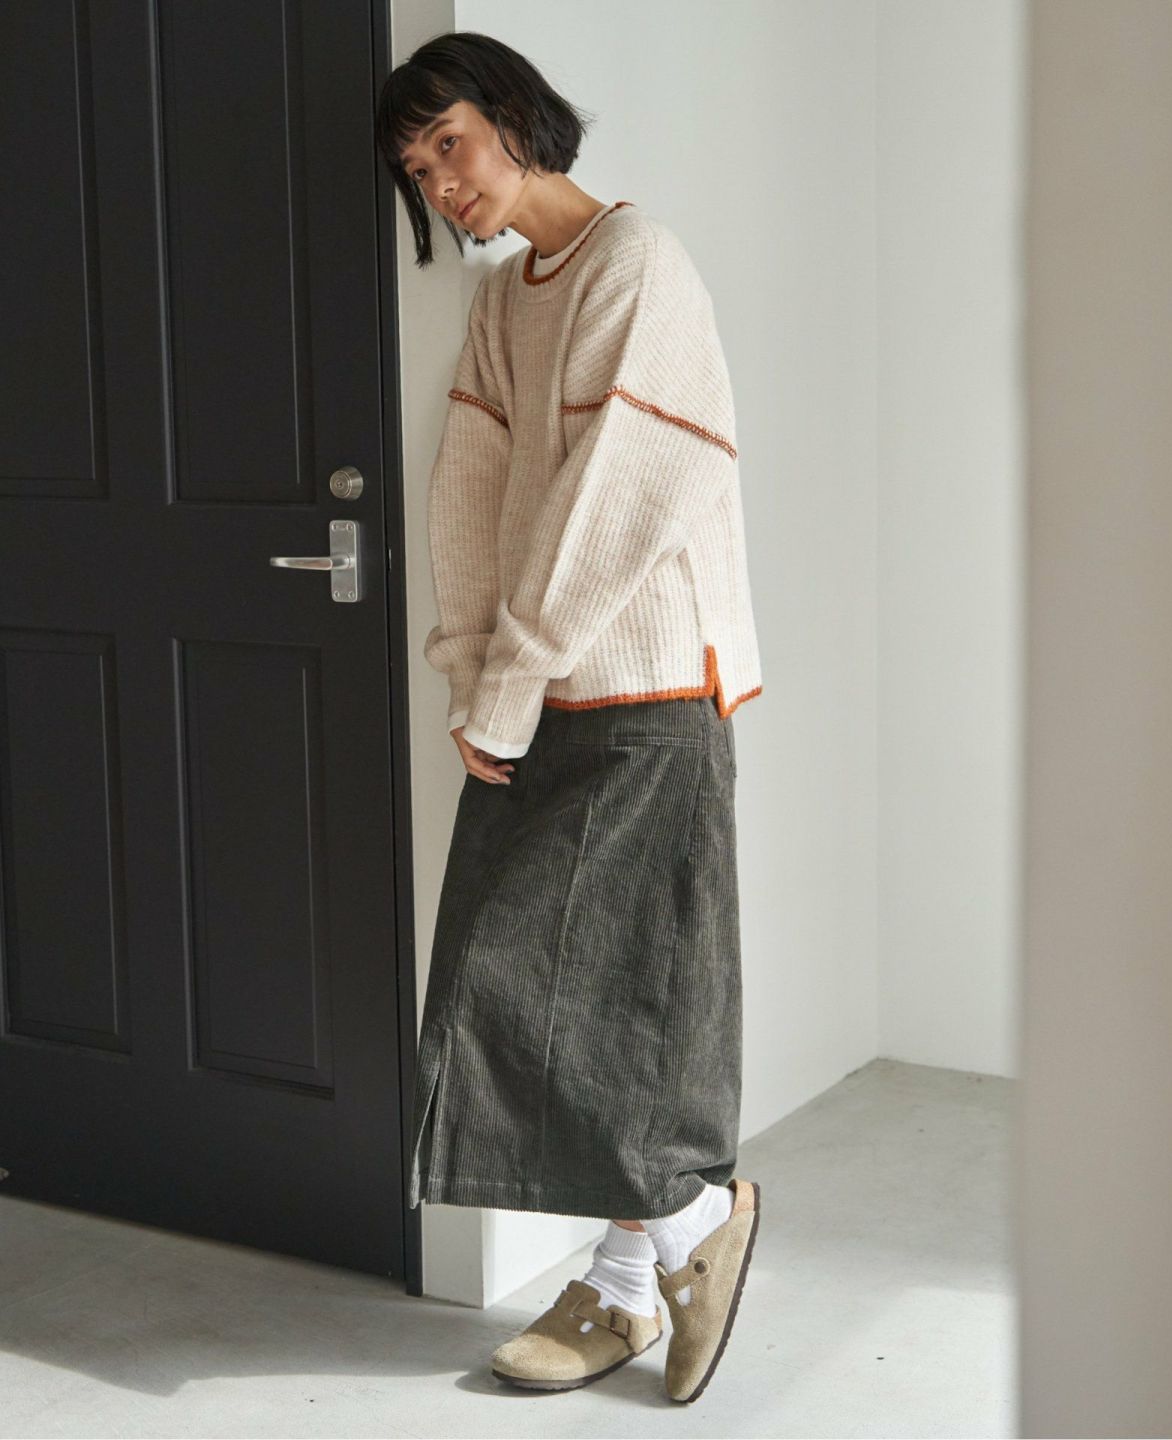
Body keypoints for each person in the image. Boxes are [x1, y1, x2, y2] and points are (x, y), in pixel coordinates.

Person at [376, 31, 764, 1404]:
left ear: (514, 115)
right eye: (419, 171)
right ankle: (631, 1277)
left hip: (650, 683)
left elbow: (617, 508)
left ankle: (691, 1227)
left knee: (581, 995)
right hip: (545, 690)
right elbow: (473, 497)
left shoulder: (637, 265)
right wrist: (469, 669)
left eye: (451, 144)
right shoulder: (506, 300)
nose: (444, 184)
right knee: (583, 999)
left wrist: (510, 677)